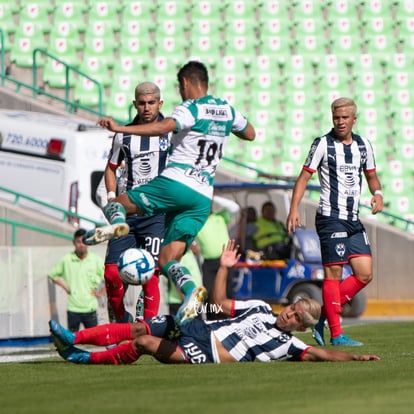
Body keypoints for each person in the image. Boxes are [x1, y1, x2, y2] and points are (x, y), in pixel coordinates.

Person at [82, 60, 256, 324]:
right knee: (166, 260)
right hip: (201, 196)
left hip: (173, 186)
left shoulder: (190, 108)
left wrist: (120, 127)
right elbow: (250, 133)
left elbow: (165, 127)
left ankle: (118, 225)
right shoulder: (226, 109)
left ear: (185, 83)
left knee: (115, 206)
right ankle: (190, 291)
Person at [49, 240, 380, 365]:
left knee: (145, 341)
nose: (288, 315)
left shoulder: (288, 345)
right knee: (141, 326)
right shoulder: (262, 308)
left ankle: (82, 359)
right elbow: (221, 302)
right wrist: (223, 268)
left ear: (301, 327)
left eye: (294, 317)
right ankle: (73, 339)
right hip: (199, 324)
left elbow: (322, 353)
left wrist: (354, 356)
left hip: (206, 352)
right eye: (291, 309)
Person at [286, 97, 384, 347]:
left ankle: (322, 314)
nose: (340, 122)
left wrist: (378, 194)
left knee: (364, 274)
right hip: (331, 218)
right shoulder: (322, 144)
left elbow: (372, 177)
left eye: (344, 117)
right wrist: (294, 208)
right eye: (336, 117)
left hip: (353, 219)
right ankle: (337, 334)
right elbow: (303, 177)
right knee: (334, 273)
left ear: (354, 119)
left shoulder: (364, 145)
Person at [100, 82, 171, 323]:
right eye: (142, 103)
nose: (147, 107)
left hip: (157, 216)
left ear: (160, 103)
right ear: (135, 104)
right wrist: (112, 200)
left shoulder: (171, 132)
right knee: (111, 273)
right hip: (127, 214)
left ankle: (146, 331)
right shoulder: (123, 134)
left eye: (152, 103)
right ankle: (120, 320)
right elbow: (110, 169)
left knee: (151, 276)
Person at [48, 229, 105, 332]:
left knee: (95, 341)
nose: (81, 245)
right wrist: (66, 288)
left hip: (90, 308)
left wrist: (102, 292)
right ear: (74, 243)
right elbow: (52, 275)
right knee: (73, 341)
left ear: (88, 242)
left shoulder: (96, 260)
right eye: (78, 242)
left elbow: (110, 277)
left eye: (84, 241)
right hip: (73, 308)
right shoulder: (67, 259)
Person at [196, 195, 240, 320]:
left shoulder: (220, 216)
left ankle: (228, 320)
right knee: (209, 293)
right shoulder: (198, 221)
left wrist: (212, 197)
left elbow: (234, 207)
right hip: (209, 263)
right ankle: (211, 321)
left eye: (209, 204)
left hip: (226, 261)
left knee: (227, 292)